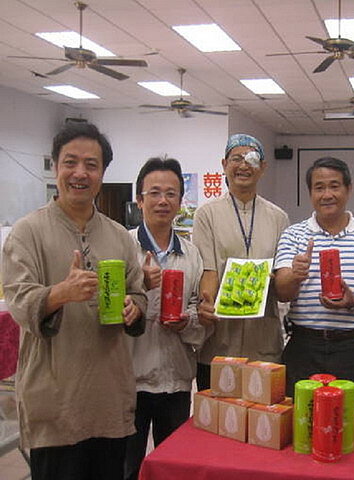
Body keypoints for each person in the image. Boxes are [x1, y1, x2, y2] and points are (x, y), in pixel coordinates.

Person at [1, 122, 147, 480]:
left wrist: (135, 307)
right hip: (55, 401)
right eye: (70, 162)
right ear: (55, 166)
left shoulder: (118, 236)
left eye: (91, 165)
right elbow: (18, 299)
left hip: (109, 397)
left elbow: (138, 291)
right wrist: (59, 293)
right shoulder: (27, 232)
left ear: (103, 173)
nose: (80, 173)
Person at [274, 157, 354, 409]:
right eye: (319, 187)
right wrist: (295, 275)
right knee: (302, 418)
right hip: (304, 348)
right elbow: (282, 292)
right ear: (310, 193)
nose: (327, 194)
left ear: (348, 189)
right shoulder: (293, 235)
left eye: (334, 186)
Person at [124, 158, 212, 480]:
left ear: (180, 201)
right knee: (127, 467)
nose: (163, 201)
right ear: (140, 200)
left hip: (176, 380)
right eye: (155, 193)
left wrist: (188, 322)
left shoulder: (192, 254)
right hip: (129, 380)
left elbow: (199, 313)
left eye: (171, 194)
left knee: (173, 468)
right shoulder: (122, 246)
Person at [192, 133, 289, 390]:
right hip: (219, 342)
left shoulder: (278, 218)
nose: (244, 165)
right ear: (224, 164)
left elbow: (283, 276)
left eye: (252, 159)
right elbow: (208, 269)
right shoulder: (207, 214)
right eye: (236, 158)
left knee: (264, 413)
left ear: (263, 168)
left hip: (264, 343)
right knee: (217, 411)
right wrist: (205, 302)